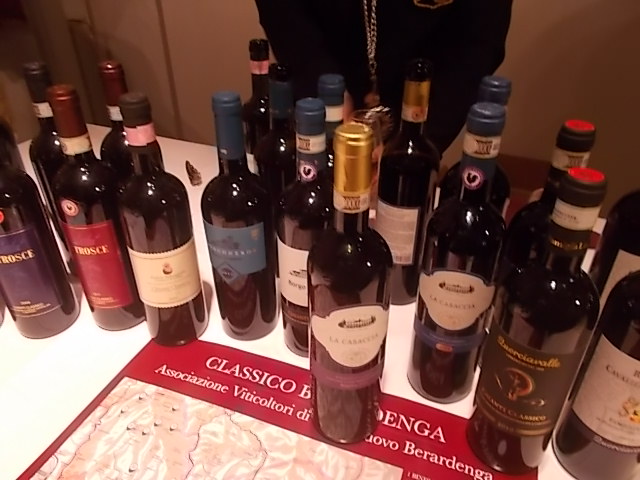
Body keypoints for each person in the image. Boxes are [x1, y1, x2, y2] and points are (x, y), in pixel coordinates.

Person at [253, 0, 513, 154]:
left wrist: (417, 140)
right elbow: (283, 14)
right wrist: (325, 91)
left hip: (424, 97)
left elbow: (479, 41)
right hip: (324, 95)